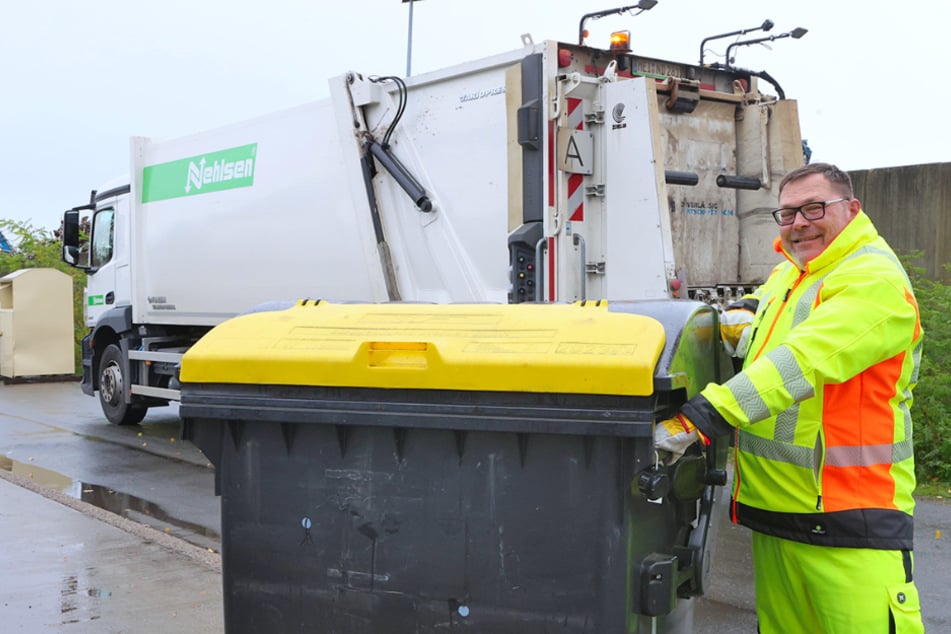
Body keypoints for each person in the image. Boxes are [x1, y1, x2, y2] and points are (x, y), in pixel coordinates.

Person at [656, 162, 925, 633]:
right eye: (787, 214)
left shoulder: (873, 279)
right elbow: (768, 303)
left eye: (814, 208)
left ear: (852, 209)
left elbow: (802, 360)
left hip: (850, 521)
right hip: (778, 515)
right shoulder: (792, 274)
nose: (799, 223)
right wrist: (744, 309)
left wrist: (700, 418)